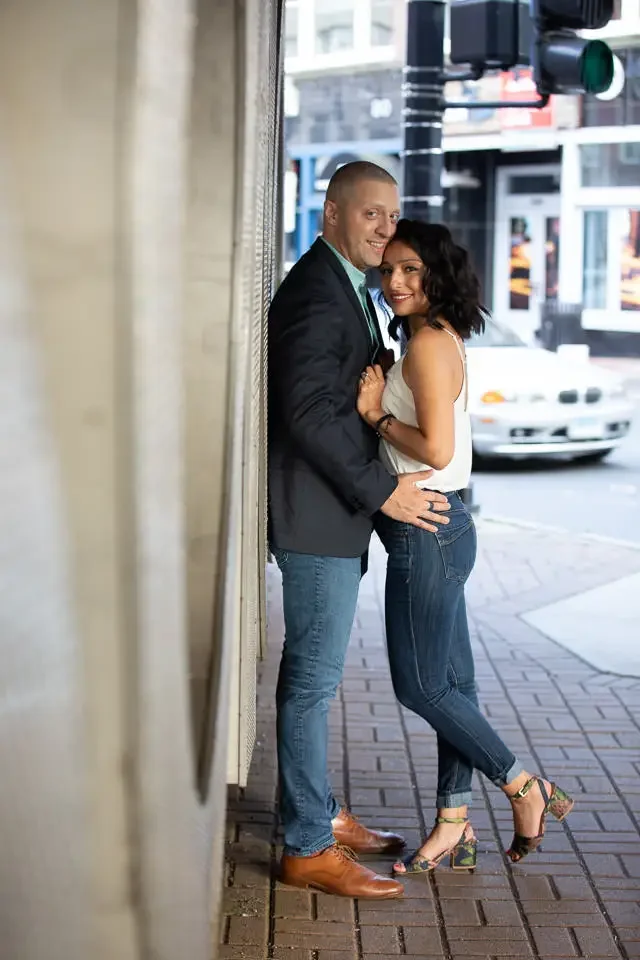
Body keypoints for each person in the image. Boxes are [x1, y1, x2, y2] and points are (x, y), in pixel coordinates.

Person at [356, 220, 574, 877]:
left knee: (419, 683)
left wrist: (373, 415)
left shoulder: (426, 345)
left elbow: (438, 449)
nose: (394, 281)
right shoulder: (428, 337)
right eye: (388, 268)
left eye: (411, 270)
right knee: (453, 684)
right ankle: (454, 821)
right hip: (440, 528)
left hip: (430, 529)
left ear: (437, 275)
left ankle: (520, 784)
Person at [267, 163, 452, 899]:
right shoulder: (317, 292)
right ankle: (307, 847)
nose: (385, 228)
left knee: (313, 678)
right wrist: (385, 492)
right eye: (371, 214)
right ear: (331, 215)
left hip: (329, 511)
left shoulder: (342, 282)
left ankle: (315, 811)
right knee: (312, 683)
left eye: (392, 214)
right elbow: (309, 413)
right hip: (316, 513)